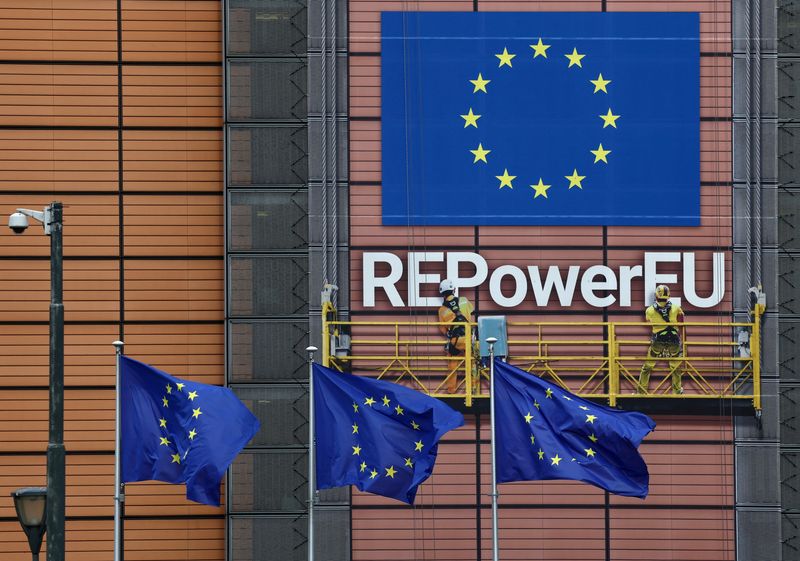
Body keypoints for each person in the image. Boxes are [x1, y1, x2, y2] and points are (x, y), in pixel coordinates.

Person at [637, 285, 686, 394]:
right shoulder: (676, 308)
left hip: (658, 341)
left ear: (656, 295)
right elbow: (682, 322)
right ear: (669, 295)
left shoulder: (649, 310)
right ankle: (677, 391)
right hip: (674, 340)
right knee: (675, 367)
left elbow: (648, 323)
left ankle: (641, 392)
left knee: (647, 367)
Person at [437, 279, 475, 393]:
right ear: (454, 290)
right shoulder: (464, 300)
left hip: (455, 340)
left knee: (453, 362)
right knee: (473, 361)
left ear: (442, 293)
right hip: (469, 338)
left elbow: (443, 330)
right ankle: (473, 388)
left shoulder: (442, 310)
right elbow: (471, 311)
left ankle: (451, 390)